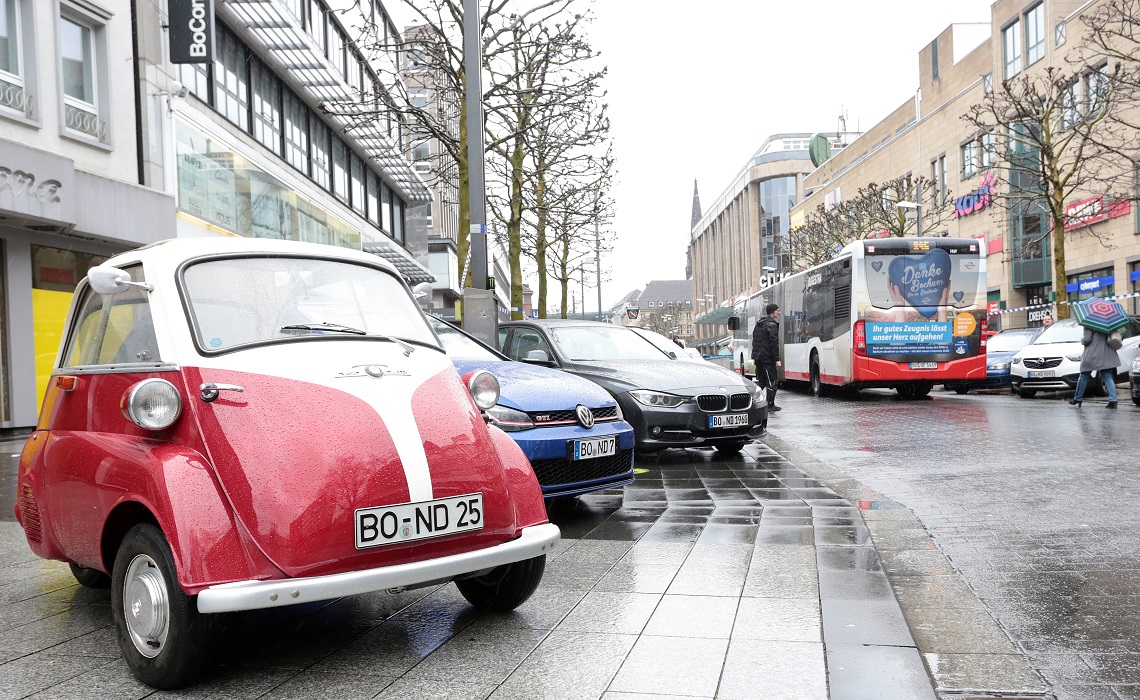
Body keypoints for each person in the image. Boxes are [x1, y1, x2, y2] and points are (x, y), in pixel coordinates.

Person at [1069, 326, 1119, 408]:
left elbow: (1087, 340)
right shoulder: (1108, 321)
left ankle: (1078, 398)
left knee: (1084, 375)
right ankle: (1113, 400)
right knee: (1107, 377)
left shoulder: (1090, 322)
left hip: (1092, 353)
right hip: (1106, 352)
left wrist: (1082, 340)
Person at [751, 303, 782, 412]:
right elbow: (774, 343)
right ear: (772, 312)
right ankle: (770, 404)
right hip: (767, 357)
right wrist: (777, 359)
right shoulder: (771, 324)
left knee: (762, 381)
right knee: (772, 381)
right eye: (777, 310)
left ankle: (751, 400)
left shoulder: (760, 324)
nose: (779, 312)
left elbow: (755, 341)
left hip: (758, 357)